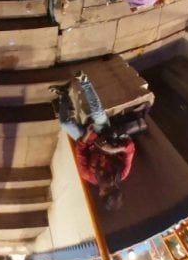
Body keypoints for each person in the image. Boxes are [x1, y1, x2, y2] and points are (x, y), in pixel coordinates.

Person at [52, 73, 134, 210]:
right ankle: (85, 81)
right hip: (105, 133)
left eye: (105, 191)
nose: (106, 187)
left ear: (101, 193)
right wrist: (114, 149)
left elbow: (80, 153)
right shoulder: (122, 172)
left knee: (65, 123)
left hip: (87, 140)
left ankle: (63, 94)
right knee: (97, 114)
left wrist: (85, 137)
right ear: (116, 187)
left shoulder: (89, 175)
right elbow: (130, 148)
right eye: (110, 189)